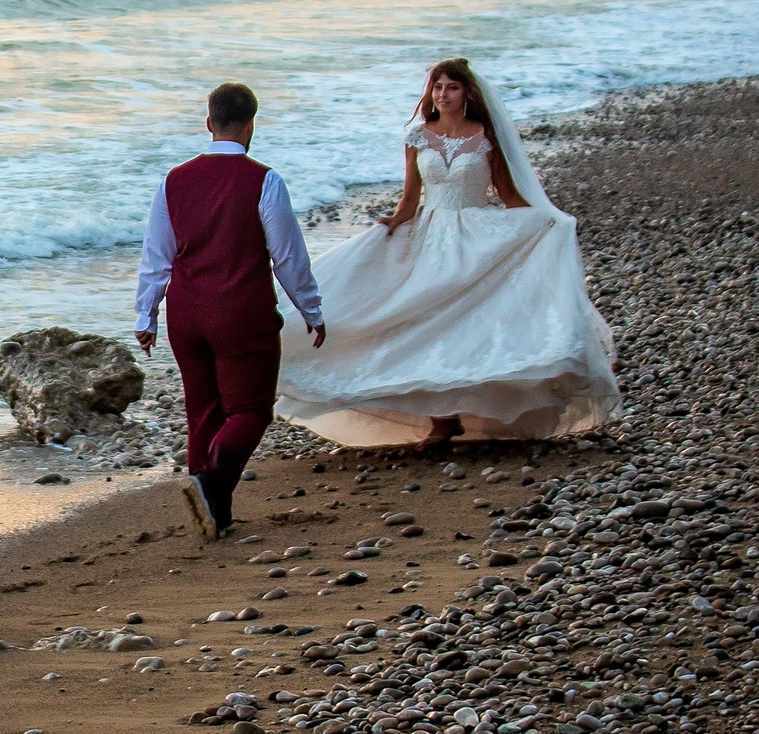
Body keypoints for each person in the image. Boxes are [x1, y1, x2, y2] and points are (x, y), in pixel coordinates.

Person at [277, 57, 619, 450]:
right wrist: (391, 223)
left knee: (466, 322)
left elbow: (508, 196)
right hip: (429, 235)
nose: (442, 94)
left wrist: (546, 223)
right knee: (423, 319)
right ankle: (442, 420)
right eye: (437, 87)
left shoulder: (485, 137)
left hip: (474, 236)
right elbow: (409, 200)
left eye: (451, 87)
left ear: (466, 93)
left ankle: (456, 416)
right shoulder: (418, 136)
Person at [135, 81, 325, 541]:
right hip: (241, 312)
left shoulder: (173, 180)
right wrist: (311, 309)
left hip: (186, 313)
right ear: (250, 125)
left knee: (203, 410)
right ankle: (210, 481)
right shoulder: (264, 180)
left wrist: (146, 316)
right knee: (251, 411)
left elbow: (156, 255)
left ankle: (215, 515)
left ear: (209, 124)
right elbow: (288, 257)